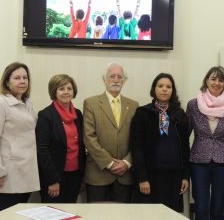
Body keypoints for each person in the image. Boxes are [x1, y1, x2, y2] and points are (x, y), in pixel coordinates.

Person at [186, 66, 224, 220]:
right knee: (201, 208)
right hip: (198, 162)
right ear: (206, 81)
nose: (217, 83)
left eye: (221, 80)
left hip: (223, 164)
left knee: (218, 209)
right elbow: (185, 135)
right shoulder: (193, 105)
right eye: (213, 79)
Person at [0, 62, 40, 211]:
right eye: (17, 78)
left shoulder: (28, 104)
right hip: (8, 175)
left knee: (20, 215)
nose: (22, 81)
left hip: (27, 172)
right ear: (7, 82)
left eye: (25, 77)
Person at [130, 73, 190, 212]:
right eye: (160, 86)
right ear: (154, 89)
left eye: (168, 87)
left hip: (174, 177)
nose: (164, 89)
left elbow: (185, 147)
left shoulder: (179, 114)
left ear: (172, 91)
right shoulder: (142, 113)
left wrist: (185, 176)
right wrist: (142, 178)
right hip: (150, 177)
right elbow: (136, 147)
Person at [83, 62, 138, 203]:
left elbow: (138, 139)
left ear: (124, 81)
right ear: (104, 79)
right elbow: (89, 137)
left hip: (125, 175)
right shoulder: (91, 103)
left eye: (119, 77)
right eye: (112, 76)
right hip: (98, 174)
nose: (116, 80)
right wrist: (110, 163)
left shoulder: (133, 105)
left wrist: (126, 162)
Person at [35, 74, 86, 203]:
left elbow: (81, 146)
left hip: (75, 174)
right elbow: (42, 151)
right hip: (54, 177)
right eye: (61, 89)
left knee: (71, 212)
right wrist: (53, 180)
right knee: (53, 214)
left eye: (69, 88)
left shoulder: (78, 114)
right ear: (54, 91)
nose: (66, 92)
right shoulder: (46, 115)